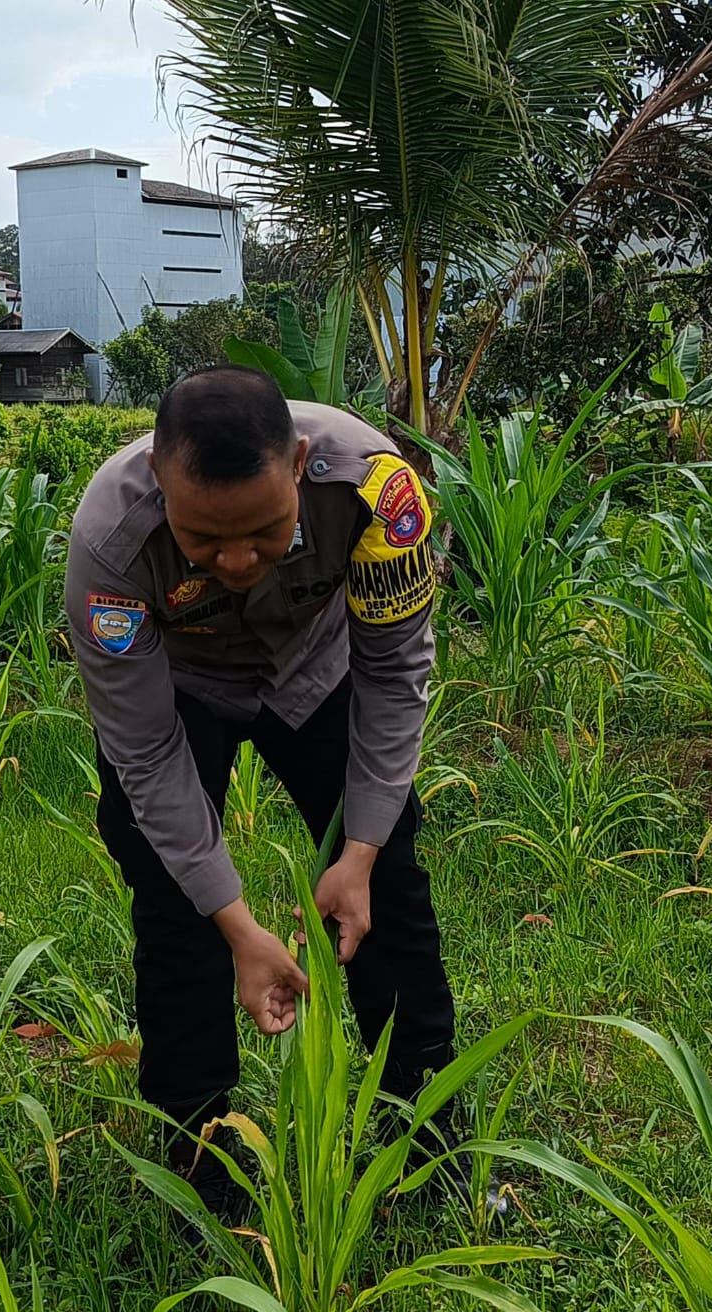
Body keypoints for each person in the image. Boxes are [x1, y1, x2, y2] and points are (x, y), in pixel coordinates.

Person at [64, 365, 455, 1221]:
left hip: (319, 673)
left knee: (389, 890)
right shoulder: (107, 545)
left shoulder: (380, 491)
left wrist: (358, 851)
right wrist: (238, 927)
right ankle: (202, 1172)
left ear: (302, 463)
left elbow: (394, 675)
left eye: (266, 532)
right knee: (175, 913)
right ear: (160, 485)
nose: (237, 562)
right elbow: (145, 752)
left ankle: (428, 1141)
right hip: (185, 687)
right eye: (203, 541)